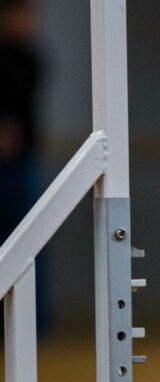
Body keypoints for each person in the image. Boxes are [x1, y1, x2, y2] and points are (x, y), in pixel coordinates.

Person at [1, 0, 48, 332]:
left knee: (33, 244)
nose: (30, 22)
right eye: (23, 15)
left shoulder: (32, 59)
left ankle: (35, 324)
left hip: (24, 163)